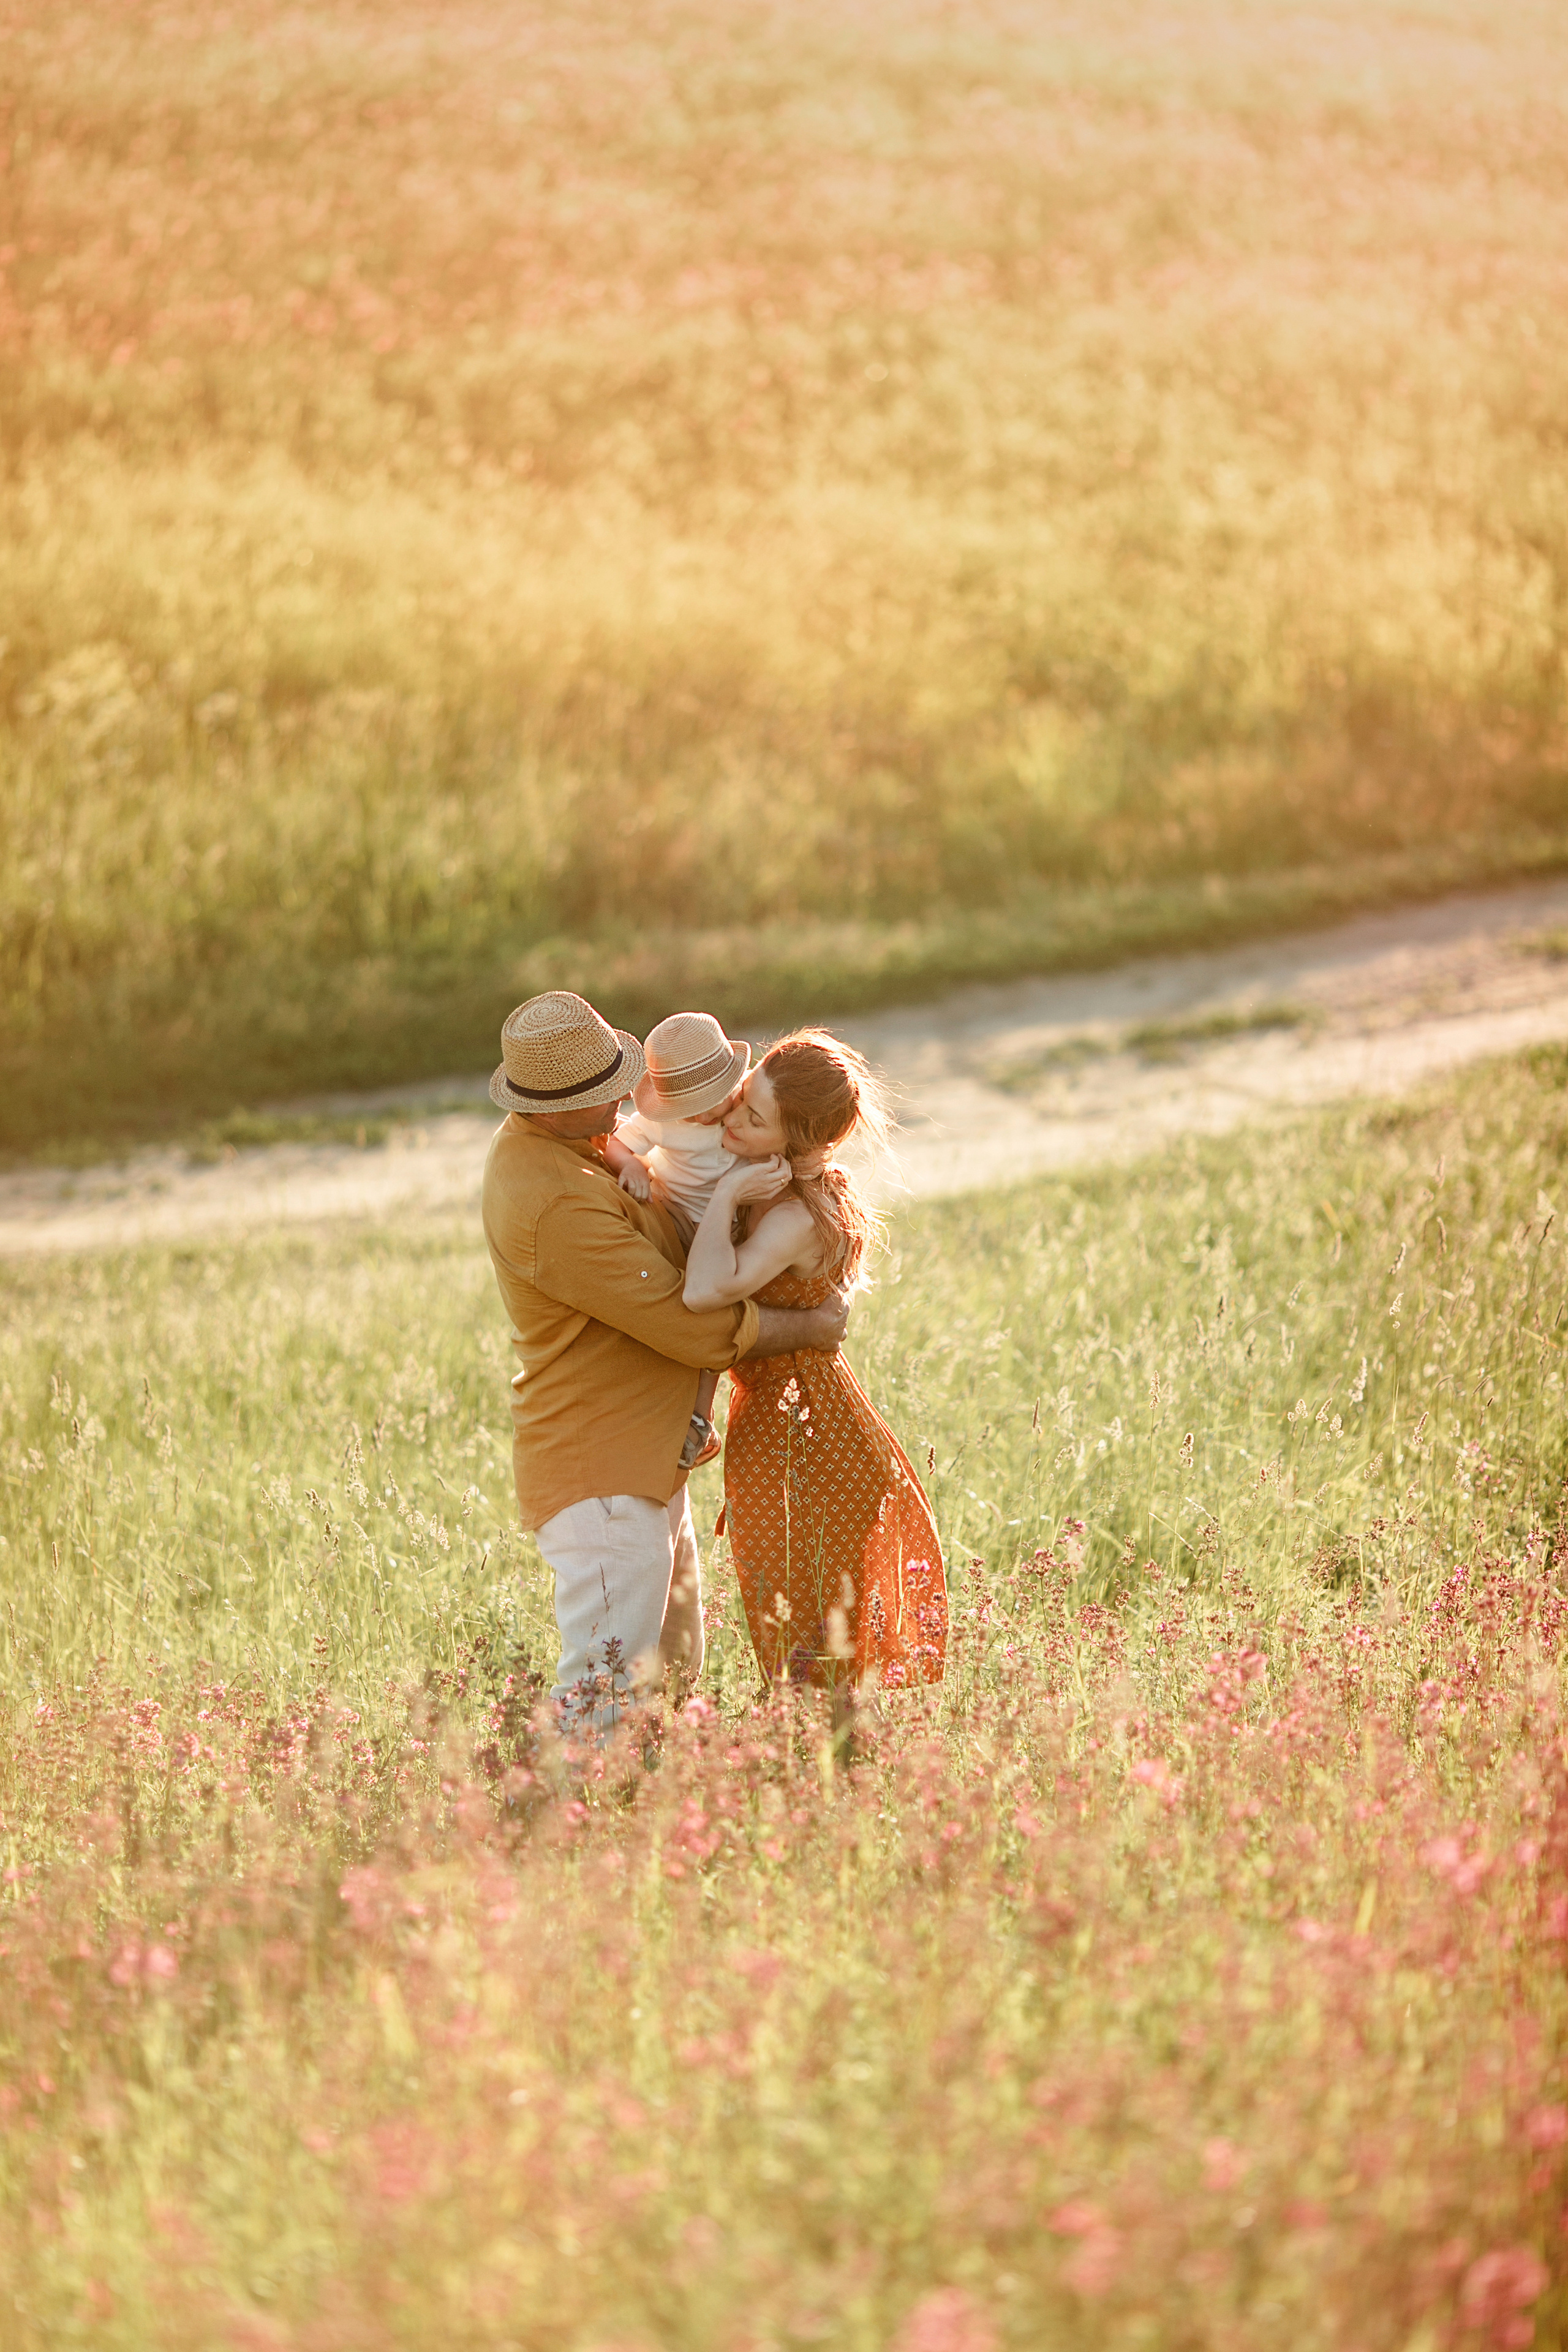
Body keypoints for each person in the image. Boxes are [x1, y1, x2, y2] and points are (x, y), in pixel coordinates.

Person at [481, 990, 849, 1735]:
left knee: (674, 1670)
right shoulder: (557, 1202)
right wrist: (809, 1324)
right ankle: (565, 1826)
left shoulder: (571, 1149)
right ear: (552, 1106)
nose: (625, 1096)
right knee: (606, 1692)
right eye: (605, 1090)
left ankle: (645, 1813)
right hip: (605, 1468)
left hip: (644, 1455)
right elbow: (688, 1325)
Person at [683, 1027, 948, 1690]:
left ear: (795, 1142)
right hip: (779, 1420)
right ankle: (825, 1773)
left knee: (819, 1641)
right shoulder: (764, 1180)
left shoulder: (795, 1216)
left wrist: (723, 1199)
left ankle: (839, 1777)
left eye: (753, 1117)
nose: (732, 1120)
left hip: (808, 1427)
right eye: (741, 1099)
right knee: (794, 1627)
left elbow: (704, 1290)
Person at [600, 1010, 752, 1471]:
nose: (707, 1115)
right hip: (679, 1216)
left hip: (731, 1227)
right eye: (692, 1106)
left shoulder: (747, 1105)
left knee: (719, 1319)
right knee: (679, 1312)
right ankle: (671, 1410)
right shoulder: (664, 1124)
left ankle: (699, 1419)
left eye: (715, 1099)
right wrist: (630, 1166)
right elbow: (612, 1142)